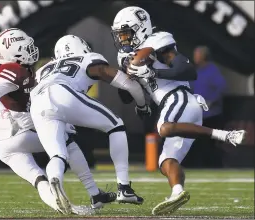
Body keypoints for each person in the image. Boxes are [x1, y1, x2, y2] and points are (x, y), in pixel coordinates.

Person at [111, 6, 246, 215]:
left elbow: (188, 71)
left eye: (126, 34)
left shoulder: (158, 41)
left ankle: (225, 135)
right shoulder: (126, 56)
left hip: (179, 98)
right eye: (120, 35)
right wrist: (125, 77)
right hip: (174, 110)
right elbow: (126, 96)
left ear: (140, 28)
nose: (123, 40)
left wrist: (152, 71)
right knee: (165, 162)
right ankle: (177, 192)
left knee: (163, 128)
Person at [0, 28, 116, 215]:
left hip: (1, 145)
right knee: (67, 143)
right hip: (14, 130)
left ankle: (68, 209)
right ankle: (94, 193)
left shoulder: (25, 71)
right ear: (15, 51)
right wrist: (4, 112)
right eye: (26, 47)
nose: (32, 50)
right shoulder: (13, 69)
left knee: (39, 180)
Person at [30, 34, 151, 205]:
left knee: (59, 154)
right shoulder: (88, 57)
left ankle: (58, 180)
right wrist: (142, 105)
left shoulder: (44, 68)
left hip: (38, 105)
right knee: (116, 126)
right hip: (63, 92)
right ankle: (124, 188)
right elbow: (127, 83)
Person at [191, 46, 227, 167]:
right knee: (198, 143)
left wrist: (212, 101)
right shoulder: (195, 71)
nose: (195, 57)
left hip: (211, 115)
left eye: (197, 54)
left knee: (210, 143)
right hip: (197, 115)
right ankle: (200, 166)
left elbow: (221, 87)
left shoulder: (212, 70)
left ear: (203, 56)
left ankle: (215, 166)